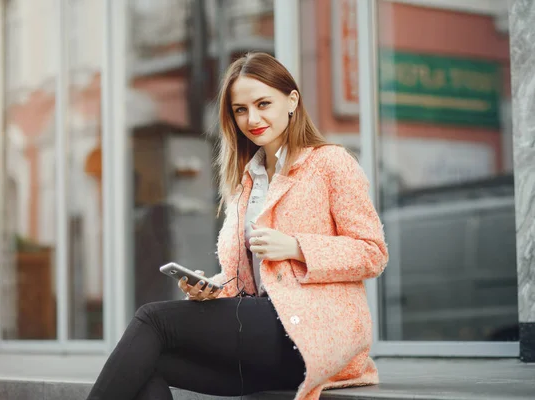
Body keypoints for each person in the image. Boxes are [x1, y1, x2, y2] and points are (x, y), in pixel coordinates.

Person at [85, 52, 388, 400]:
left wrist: (296, 247)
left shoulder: (330, 162)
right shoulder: (247, 181)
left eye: (263, 103)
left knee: (153, 319)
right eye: (240, 109)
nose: (252, 118)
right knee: (150, 365)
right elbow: (247, 282)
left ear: (292, 101)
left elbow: (372, 252)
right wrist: (211, 289)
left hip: (310, 334)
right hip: (261, 335)